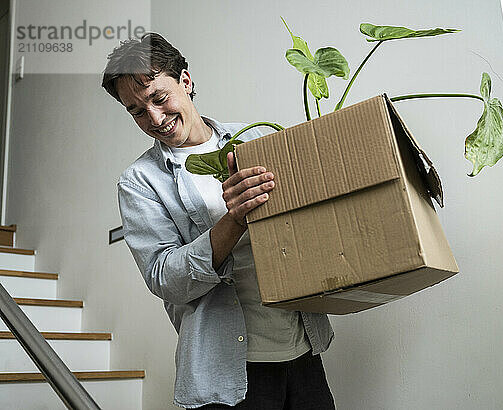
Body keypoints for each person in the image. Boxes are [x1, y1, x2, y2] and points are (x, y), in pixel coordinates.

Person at [101, 33, 336, 409]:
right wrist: (234, 220)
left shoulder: (255, 138)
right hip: (230, 370)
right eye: (137, 111)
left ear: (186, 81)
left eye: (159, 99)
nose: (155, 119)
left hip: (304, 348)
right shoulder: (140, 181)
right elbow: (164, 278)